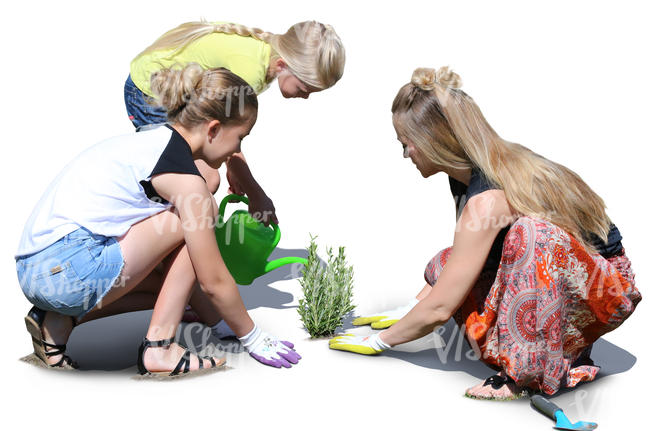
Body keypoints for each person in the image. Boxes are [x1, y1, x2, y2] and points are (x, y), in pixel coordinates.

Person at [328, 66, 642, 399]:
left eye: (407, 143)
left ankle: (522, 375)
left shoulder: (488, 199)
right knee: (445, 263)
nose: (406, 154)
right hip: (571, 279)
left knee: (530, 235)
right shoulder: (470, 172)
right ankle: (551, 350)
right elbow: (457, 271)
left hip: (608, 289)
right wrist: (409, 309)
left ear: (432, 141)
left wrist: (382, 341)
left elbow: (441, 307)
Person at [15, 64, 301, 375]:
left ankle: (57, 321)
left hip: (36, 268)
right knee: (201, 213)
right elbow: (213, 280)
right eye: (240, 138)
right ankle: (160, 348)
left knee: (169, 288)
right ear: (214, 129)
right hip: (68, 271)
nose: (238, 149)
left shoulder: (154, 142)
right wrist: (253, 336)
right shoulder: (185, 181)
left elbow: (184, 281)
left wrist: (217, 322)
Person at [125, 19, 346, 224]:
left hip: (182, 97)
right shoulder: (248, 74)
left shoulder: (264, 56)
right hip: (150, 93)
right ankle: (150, 239)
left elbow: (223, 131)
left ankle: (175, 242)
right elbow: (224, 134)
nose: (306, 97)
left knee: (205, 182)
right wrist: (256, 194)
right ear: (282, 65)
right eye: (304, 89)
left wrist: (233, 165)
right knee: (195, 183)